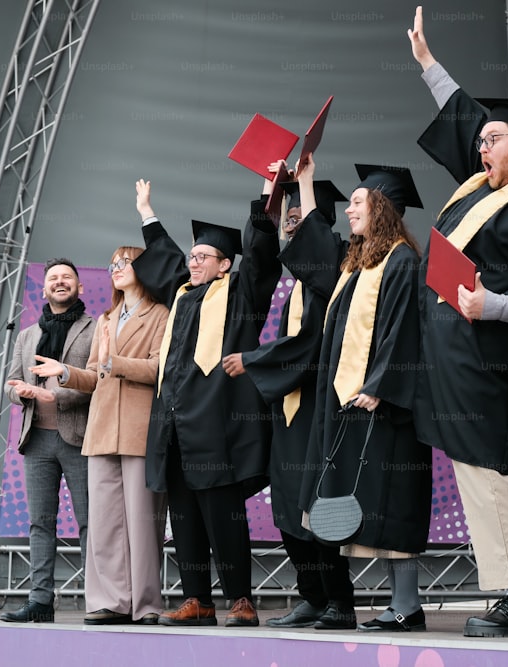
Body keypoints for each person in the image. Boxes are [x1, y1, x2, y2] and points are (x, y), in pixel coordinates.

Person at [406, 6, 508, 638]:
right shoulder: (481, 185)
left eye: (494, 139)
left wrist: (491, 305)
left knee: (490, 470)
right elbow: (467, 118)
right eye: (481, 142)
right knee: (480, 471)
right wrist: (427, 63)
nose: (480, 145)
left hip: (495, 358)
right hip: (458, 357)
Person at [134, 178, 282, 627]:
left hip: (218, 429)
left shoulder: (239, 296)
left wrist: (265, 196)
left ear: (224, 265)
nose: (192, 261)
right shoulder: (181, 296)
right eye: (192, 256)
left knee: (224, 518)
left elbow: (260, 261)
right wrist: (147, 213)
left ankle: (241, 599)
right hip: (176, 429)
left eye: (202, 257)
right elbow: (160, 260)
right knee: (184, 520)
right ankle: (197, 599)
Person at [295, 163, 431, 633]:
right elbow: (312, 242)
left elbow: (404, 332)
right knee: (354, 503)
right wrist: (305, 184)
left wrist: (380, 384)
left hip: (383, 406)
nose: (349, 209)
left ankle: (407, 606)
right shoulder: (356, 266)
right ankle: (386, 605)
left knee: (392, 503)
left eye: (357, 202)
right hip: (349, 405)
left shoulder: (402, 262)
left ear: (382, 208)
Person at [222, 157, 357, 630]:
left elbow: (310, 343)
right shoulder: (297, 282)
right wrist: (271, 190)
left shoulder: (335, 268)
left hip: (322, 406)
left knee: (318, 503)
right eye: (288, 220)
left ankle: (340, 601)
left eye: (302, 220)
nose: (291, 227)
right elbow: (263, 253)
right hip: (292, 408)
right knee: (286, 503)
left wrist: (254, 360)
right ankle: (313, 597)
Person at [30, 245, 170, 625]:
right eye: (112, 265)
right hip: (101, 429)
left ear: (144, 268)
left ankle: (145, 604)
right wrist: (64, 372)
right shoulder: (107, 318)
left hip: (139, 429)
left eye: (124, 262)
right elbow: (93, 376)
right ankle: (111, 599)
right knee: (105, 523)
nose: (116, 269)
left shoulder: (161, 314)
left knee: (142, 521)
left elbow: (159, 368)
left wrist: (115, 362)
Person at [1, 258, 94, 623]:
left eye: (66, 277)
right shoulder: (26, 335)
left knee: (90, 522)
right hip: (36, 441)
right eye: (53, 278)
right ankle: (40, 601)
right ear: (43, 289)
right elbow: (10, 383)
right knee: (40, 522)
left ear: (79, 287)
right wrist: (23, 393)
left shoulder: (95, 328)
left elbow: (96, 381)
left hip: (79, 437)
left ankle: (97, 599)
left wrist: (54, 396)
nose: (59, 282)